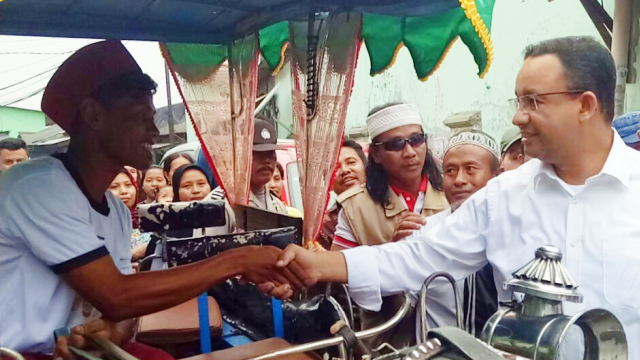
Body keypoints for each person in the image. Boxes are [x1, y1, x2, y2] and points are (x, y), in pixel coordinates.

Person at [265, 36, 640, 358]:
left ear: (586, 105)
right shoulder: (506, 196)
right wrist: (321, 265)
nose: (518, 118)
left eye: (533, 102)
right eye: (518, 102)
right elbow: (420, 255)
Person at [0, 40, 301, 359]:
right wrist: (237, 260)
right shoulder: (36, 187)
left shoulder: (113, 208)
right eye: (141, 116)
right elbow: (117, 296)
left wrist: (113, 330)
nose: (154, 130)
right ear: (94, 115)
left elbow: (123, 313)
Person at [330, 103, 449, 350]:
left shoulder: (451, 195)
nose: (410, 152)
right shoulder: (355, 209)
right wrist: (390, 254)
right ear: (375, 154)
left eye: (416, 140)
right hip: (387, 345)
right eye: (396, 144)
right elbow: (338, 280)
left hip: (451, 337)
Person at [417, 131, 500, 335]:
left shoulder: (517, 232)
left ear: (496, 177)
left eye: (470, 169)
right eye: (450, 171)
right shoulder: (425, 232)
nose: (459, 180)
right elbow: (402, 304)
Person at [318, 140, 367, 250]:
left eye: (351, 162)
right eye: (336, 167)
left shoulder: (389, 203)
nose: (345, 170)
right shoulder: (324, 226)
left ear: (366, 166)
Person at [108, 169, 149, 263]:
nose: (124, 191)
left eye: (128, 185)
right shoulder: (99, 224)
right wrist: (133, 254)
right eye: (114, 187)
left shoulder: (148, 217)